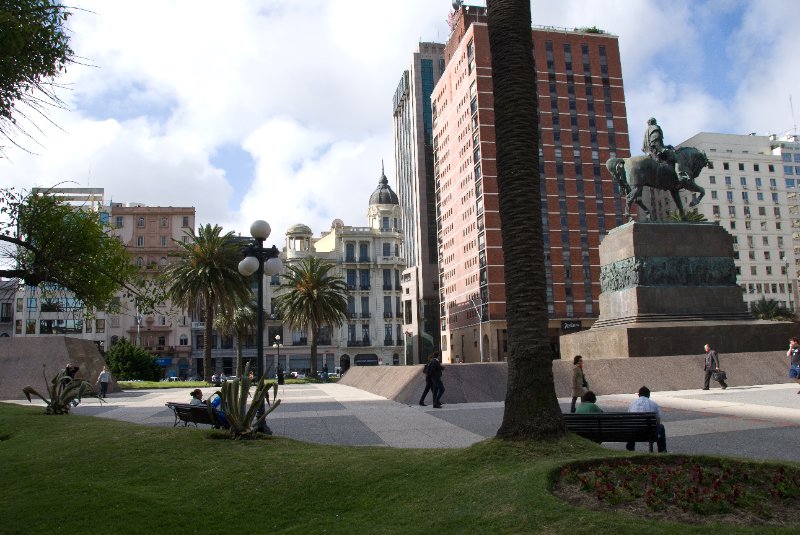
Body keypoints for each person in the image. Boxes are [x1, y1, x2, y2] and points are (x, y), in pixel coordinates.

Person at [626, 386, 667, 453]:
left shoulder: (632, 404)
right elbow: (658, 421)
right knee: (661, 427)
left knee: (631, 427)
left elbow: (629, 419)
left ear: (638, 395)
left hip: (634, 433)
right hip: (649, 433)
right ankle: (662, 450)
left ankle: (630, 449)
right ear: (649, 395)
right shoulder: (654, 405)